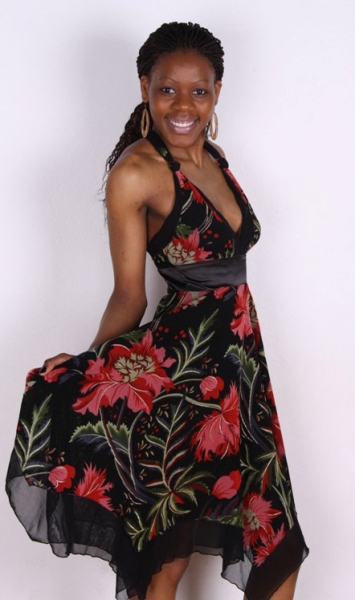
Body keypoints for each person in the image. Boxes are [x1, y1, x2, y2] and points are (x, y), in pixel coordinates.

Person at [6, 22, 309, 600]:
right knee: (166, 559)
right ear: (145, 86)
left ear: (217, 92)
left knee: (275, 547)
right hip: (183, 384)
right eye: (168, 89)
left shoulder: (215, 158)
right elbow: (130, 295)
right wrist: (90, 370)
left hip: (239, 377)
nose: (183, 105)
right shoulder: (136, 172)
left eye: (199, 91)